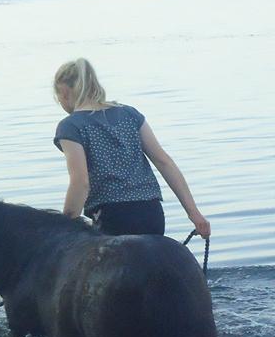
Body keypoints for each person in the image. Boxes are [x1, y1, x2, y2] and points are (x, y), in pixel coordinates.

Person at [52, 58, 211, 239]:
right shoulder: (129, 114)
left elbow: (80, 182)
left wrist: (65, 227)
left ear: (64, 92)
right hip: (151, 213)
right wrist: (194, 214)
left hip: (112, 217)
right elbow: (164, 161)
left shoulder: (71, 126)